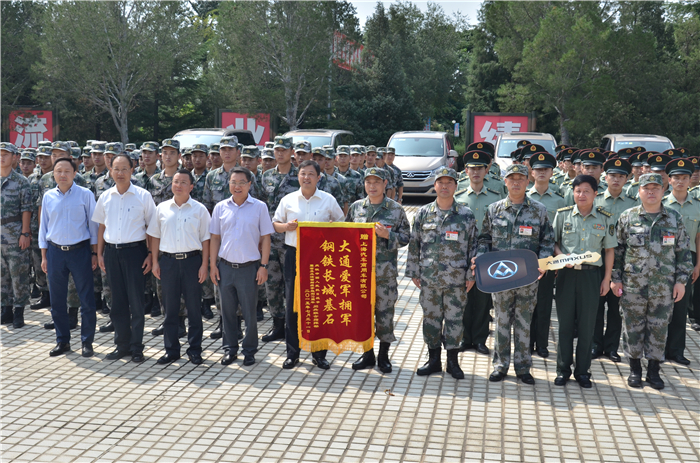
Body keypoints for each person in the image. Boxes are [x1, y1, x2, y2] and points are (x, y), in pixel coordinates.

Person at [611, 173, 693, 389]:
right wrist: (615, 279)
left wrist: (681, 281)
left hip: (663, 288)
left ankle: (654, 371)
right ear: (639, 191)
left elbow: (683, 253)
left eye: (656, 188)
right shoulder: (627, 217)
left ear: (663, 191)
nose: (651, 192)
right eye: (646, 188)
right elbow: (617, 252)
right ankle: (635, 369)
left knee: (659, 329)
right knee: (632, 327)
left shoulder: (674, 219)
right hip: (632, 286)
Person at [476, 164, 554, 384]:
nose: (517, 182)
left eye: (521, 179)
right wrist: (481, 259)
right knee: (501, 322)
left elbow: (547, 241)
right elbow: (484, 239)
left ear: (527, 182)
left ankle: (523, 367)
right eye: (512, 179)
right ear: (505, 182)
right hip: (499, 277)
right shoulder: (494, 210)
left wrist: (543, 263)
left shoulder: (539, 210)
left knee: (523, 322)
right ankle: (500, 365)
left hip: (528, 278)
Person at [406, 167, 478, 379]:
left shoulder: (466, 215)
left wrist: (471, 275)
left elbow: (474, 247)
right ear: (435, 185)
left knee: (455, 320)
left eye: (449, 182)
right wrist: (414, 271)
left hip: (457, 281)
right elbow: (414, 244)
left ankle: (453, 362)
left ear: (456, 186)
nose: (445, 186)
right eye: (441, 182)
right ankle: (434, 360)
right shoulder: (423, 213)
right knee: (431, 320)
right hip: (429, 279)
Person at [272, 160, 345, 370]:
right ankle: (292, 354)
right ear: (298, 176)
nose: (306, 178)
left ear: (318, 178)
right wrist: (286, 226)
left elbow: (342, 223)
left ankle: (319, 354)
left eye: (311, 174)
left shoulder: (328, 200)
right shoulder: (288, 200)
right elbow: (276, 225)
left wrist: (333, 228)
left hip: (321, 258)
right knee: (292, 307)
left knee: (319, 306)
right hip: (294, 256)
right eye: (303, 173)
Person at [551, 175, 617, 388]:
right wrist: (561, 257)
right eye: (578, 191)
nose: (581, 195)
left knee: (588, 326)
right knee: (565, 325)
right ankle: (563, 370)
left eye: (586, 191)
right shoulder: (563, 216)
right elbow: (554, 243)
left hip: (591, 276)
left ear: (595, 194)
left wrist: (607, 279)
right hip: (567, 276)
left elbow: (609, 250)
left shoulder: (605, 218)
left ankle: (583, 372)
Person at [346, 167, 410, 373]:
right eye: (368, 182)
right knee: (363, 315)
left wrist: (388, 236)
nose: (372, 186)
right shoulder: (356, 208)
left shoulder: (395, 209)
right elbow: (346, 235)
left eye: (376, 182)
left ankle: (383, 356)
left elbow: (407, 237)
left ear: (385, 184)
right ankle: (367, 355)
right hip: (360, 274)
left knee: (385, 314)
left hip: (385, 274)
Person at [92, 154, 156, 363]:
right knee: (117, 302)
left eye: (124, 169)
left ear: (132, 170)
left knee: (136, 302)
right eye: (116, 169)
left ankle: (137, 347)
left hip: (135, 253)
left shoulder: (143, 196)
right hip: (112, 253)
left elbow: (152, 229)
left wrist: (150, 256)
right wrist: (100, 254)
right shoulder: (106, 196)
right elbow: (102, 227)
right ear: (110, 171)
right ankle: (122, 345)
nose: (120, 173)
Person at [210, 167, 273, 365]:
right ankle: (230, 349)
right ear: (228, 184)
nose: (237, 186)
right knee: (227, 312)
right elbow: (214, 238)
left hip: (249, 268)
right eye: (233, 182)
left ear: (249, 185)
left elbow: (266, 238)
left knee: (249, 312)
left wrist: (264, 265)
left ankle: (250, 350)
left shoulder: (259, 207)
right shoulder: (220, 207)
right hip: (225, 267)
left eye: (241, 182)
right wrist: (213, 265)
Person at [148, 169, 211, 365]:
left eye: (184, 182)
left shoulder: (199, 209)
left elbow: (206, 240)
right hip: (167, 262)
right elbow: (154, 237)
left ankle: (195, 350)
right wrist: (155, 261)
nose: (179, 185)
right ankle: (171, 350)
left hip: (192, 262)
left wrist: (204, 265)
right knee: (170, 309)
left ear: (191, 186)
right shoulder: (162, 208)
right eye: (176, 181)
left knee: (194, 309)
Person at [39, 157, 99, 357]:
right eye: (58, 171)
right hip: (55, 252)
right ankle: (62, 341)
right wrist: (44, 256)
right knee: (57, 301)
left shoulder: (85, 195)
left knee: (86, 299)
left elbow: (93, 226)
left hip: (80, 251)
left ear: (75, 173)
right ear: (53, 174)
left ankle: (87, 342)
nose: (62, 174)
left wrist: (93, 253)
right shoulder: (48, 196)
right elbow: (43, 228)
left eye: (67, 171)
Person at [454, 150, 502, 356]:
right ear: (465, 171)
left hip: (487, 251)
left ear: (486, 170)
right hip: (462, 252)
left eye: (479, 168)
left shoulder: (496, 197)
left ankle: (480, 339)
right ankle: (465, 338)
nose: (475, 172)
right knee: (464, 296)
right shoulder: (458, 197)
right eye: (472, 169)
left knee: (483, 298)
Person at [591, 158, 637, 363]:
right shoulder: (596, 200)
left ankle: (611, 347)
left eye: (621, 176)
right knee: (596, 305)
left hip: (623, 262)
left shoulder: (633, 204)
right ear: (605, 177)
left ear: (626, 179)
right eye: (612, 175)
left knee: (616, 307)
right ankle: (594, 345)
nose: (616, 179)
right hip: (598, 259)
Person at [259, 136, 300, 343]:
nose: (280, 153)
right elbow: (259, 206)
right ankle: (277, 325)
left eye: (284, 150)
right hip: (270, 239)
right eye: (277, 150)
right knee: (272, 284)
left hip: (292, 240)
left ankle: (293, 326)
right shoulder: (266, 176)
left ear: (291, 151)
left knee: (292, 285)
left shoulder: (298, 176)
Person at [526, 152, 566, 358]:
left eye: (546, 170)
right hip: (525, 258)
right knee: (525, 303)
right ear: (531, 173)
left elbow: (562, 232)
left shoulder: (560, 200)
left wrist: (559, 258)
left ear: (552, 172)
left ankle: (541, 344)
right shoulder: (524, 198)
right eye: (537, 170)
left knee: (543, 303)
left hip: (548, 258)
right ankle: (526, 342)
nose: (541, 173)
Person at [662, 159, 700, 366]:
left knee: (680, 306)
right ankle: (658, 349)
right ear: (669, 180)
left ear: (690, 180)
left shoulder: (697, 206)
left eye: (684, 178)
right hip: (663, 259)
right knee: (660, 305)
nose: (680, 181)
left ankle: (676, 350)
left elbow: (698, 238)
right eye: (676, 178)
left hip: (688, 259)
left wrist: (698, 264)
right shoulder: (662, 204)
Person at [0, 143, 32, 328]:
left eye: (5, 154)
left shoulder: (21, 182)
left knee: (18, 274)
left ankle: (19, 311)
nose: (2, 157)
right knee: (1, 275)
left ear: (14, 157)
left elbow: (26, 209)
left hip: (14, 234)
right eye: (0, 154)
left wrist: (25, 233)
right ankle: (6, 309)